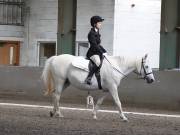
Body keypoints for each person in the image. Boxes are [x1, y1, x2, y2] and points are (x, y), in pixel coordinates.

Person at [84, 15, 107, 89]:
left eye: (100, 23)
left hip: (97, 51)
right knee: (98, 62)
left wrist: (104, 51)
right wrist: (101, 52)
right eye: (99, 23)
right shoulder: (91, 33)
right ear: (94, 24)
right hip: (92, 52)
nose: (101, 24)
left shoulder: (97, 31)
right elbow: (94, 45)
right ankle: (89, 77)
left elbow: (98, 44)